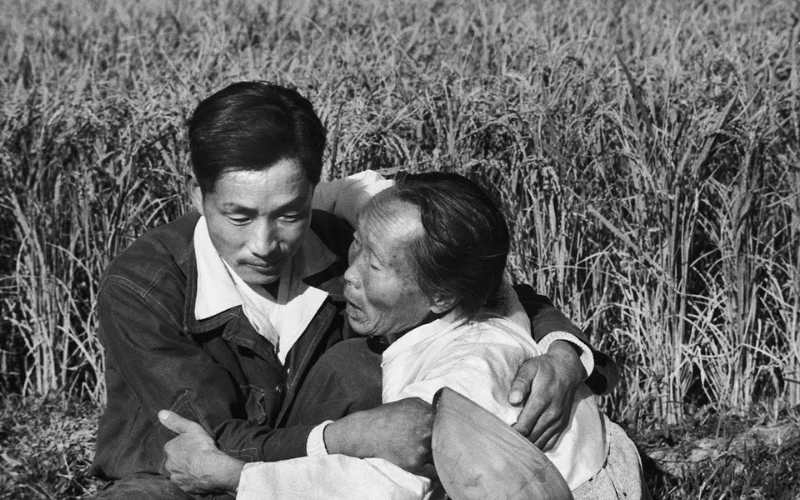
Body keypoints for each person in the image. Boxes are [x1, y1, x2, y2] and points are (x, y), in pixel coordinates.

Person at [91, 81, 617, 499]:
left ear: (314, 188)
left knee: (357, 362)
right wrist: (346, 438)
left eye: (290, 214)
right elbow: (214, 440)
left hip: (312, 481)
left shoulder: (347, 241)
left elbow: (475, 280)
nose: (264, 244)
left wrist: (563, 353)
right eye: (238, 215)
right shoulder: (142, 288)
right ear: (199, 193)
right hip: (179, 477)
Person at [159, 172, 647, 499]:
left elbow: (375, 488)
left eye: (372, 264)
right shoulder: (477, 291)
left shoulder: (466, 377)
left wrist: (236, 477)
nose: (348, 276)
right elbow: (343, 199)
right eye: (355, 248)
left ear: (439, 296)